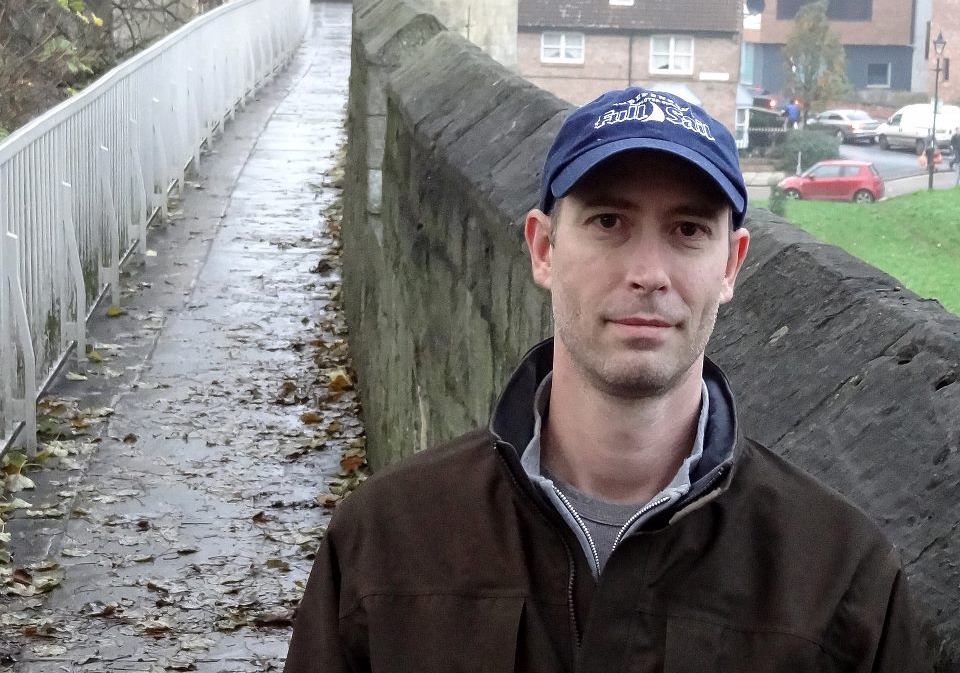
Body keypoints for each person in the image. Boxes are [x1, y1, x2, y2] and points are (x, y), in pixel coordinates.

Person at [283, 86, 926, 672]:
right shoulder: (388, 539)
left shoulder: (840, 578)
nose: (648, 273)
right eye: (608, 222)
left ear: (731, 264)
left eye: (688, 230)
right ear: (543, 249)